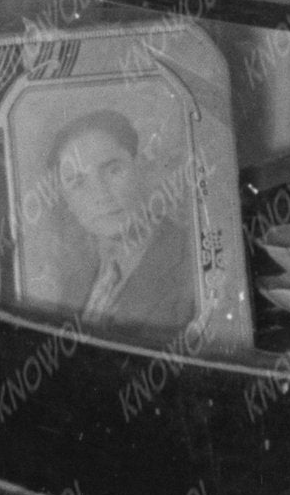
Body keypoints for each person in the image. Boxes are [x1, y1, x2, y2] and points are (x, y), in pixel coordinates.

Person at [37, 106, 199, 337]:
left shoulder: (191, 260)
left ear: (139, 168)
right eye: (78, 182)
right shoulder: (74, 286)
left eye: (113, 170)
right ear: (67, 200)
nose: (101, 194)